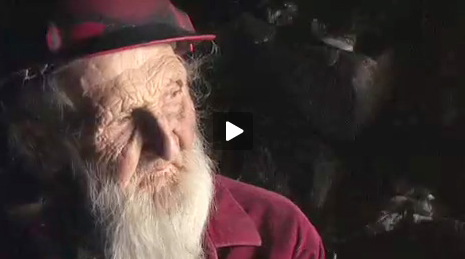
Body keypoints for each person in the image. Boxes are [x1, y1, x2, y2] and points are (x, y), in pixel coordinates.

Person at [0, 0, 325, 258]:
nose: (167, 145)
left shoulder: (279, 241)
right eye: (120, 120)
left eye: (172, 94)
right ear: (40, 145)